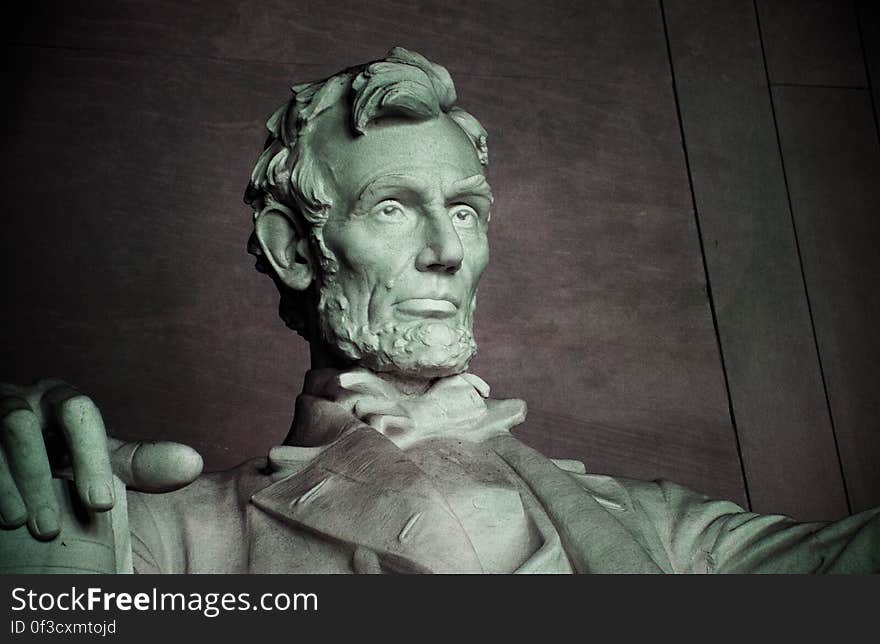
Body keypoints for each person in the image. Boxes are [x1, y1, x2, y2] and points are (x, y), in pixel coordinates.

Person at [1, 48, 877, 573]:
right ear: (295, 249)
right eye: (393, 206)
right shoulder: (161, 538)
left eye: (464, 209)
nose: (449, 250)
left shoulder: (654, 525)